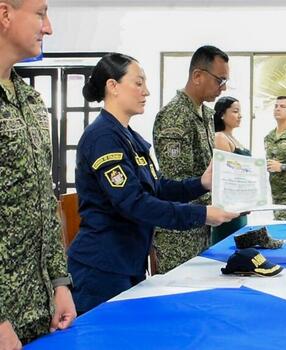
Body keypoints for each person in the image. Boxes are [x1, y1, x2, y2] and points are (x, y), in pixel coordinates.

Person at [67, 53, 238, 314]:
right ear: (113, 86)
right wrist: (202, 214)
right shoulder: (103, 137)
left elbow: (157, 187)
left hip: (128, 262)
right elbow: (135, 203)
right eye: (138, 83)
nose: (146, 91)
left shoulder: (128, 136)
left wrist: (200, 184)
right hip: (102, 268)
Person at [0, 0, 76, 346]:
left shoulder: (30, 101)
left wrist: (60, 282)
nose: (49, 28)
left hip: (37, 308)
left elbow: (45, 200)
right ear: (5, 14)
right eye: (41, 14)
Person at [153, 45, 229, 273]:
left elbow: (205, 172)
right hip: (179, 234)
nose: (222, 89)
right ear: (197, 76)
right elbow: (176, 182)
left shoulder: (205, 115)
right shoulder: (174, 116)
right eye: (219, 81)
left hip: (202, 226)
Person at [211, 96, 250, 244]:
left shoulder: (232, 138)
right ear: (222, 114)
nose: (240, 115)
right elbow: (227, 173)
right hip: (230, 201)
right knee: (228, 243)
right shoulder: (220, 137)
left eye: (240, 112)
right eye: (235, 111)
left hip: (241, 200)